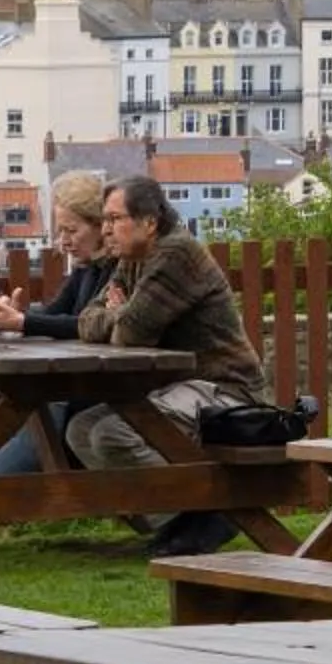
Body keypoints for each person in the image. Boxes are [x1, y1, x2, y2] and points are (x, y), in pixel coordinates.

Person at [69, 175, 266, 558]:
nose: (106, 230)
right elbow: (86, 321)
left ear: (149, 222)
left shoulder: (176, 255)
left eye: (115, 219)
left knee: (111, 433)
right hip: (178, 387)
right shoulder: (131, 260)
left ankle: (205, 512)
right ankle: (180, 520)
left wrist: (117, 313)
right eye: (104, 220)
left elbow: (128, 333)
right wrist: (118, 315)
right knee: (82, 429)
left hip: (224, 388)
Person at [0, 169, 112, 478]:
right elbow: (56, 313)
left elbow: (84, 324)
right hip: (81, 382)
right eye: (60, 232)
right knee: (33, 403)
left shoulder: (117, 270)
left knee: (40, 404)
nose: (64, 242)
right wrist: (18, 315)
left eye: (71, 231)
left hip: (107, 386)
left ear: (100, 226)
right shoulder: (86, 268)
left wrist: (23, 321)